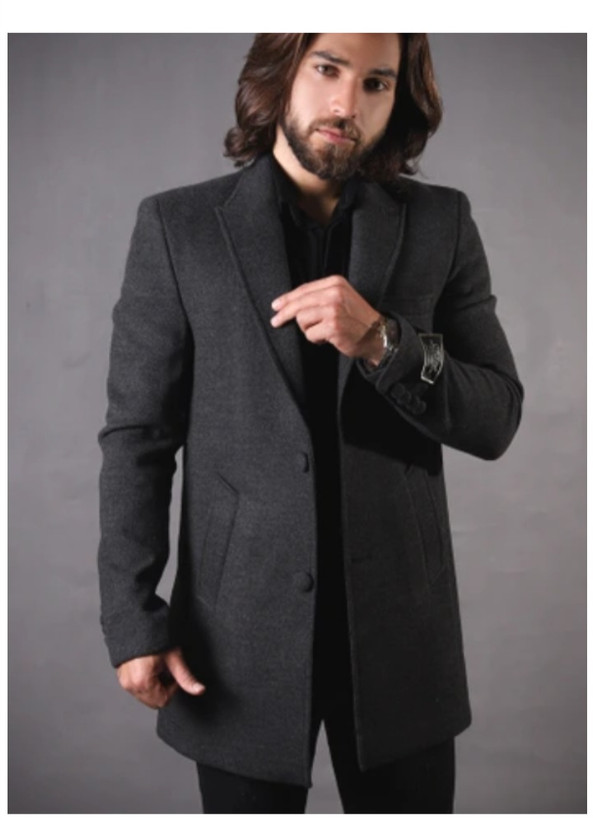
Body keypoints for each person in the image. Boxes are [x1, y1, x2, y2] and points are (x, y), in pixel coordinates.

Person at [97, 33, 524, 813]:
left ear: (397, 100)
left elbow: (495, 415)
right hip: (234, 638)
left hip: (400, 637)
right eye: (327, 69)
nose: (345, 103)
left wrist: (385, 344)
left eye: (376, 83)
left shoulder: (440, 223)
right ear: (280, 75)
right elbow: (138, 437)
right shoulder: (179, 226)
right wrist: (132, 618)